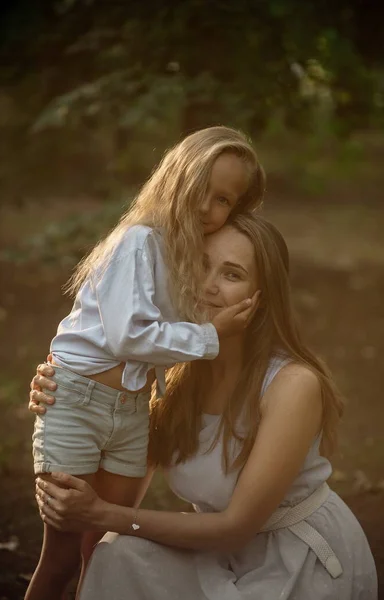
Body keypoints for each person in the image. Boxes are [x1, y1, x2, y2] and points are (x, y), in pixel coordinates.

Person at [30, 214, 377, 599]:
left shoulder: (293, 385)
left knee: (115, 534)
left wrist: (101, 515)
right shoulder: (171, 372)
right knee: (118, 555)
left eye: (231, 275)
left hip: (298, 562)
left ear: (262, 297)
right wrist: (62, 387)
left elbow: (236, 527)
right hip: (216, 556)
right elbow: (116, 462)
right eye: (200, 265)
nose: (207, 286)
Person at [25, 126, 265, 600]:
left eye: (222, 201)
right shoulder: (137, 241)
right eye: (200, 187)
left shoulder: (187, 259)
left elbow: (176, 339)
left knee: (102, 549)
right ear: (175, 174)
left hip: (132, 411)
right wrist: (212, 335)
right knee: (61, 555)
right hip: (76, 399)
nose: (206, 207)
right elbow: (129, 337)